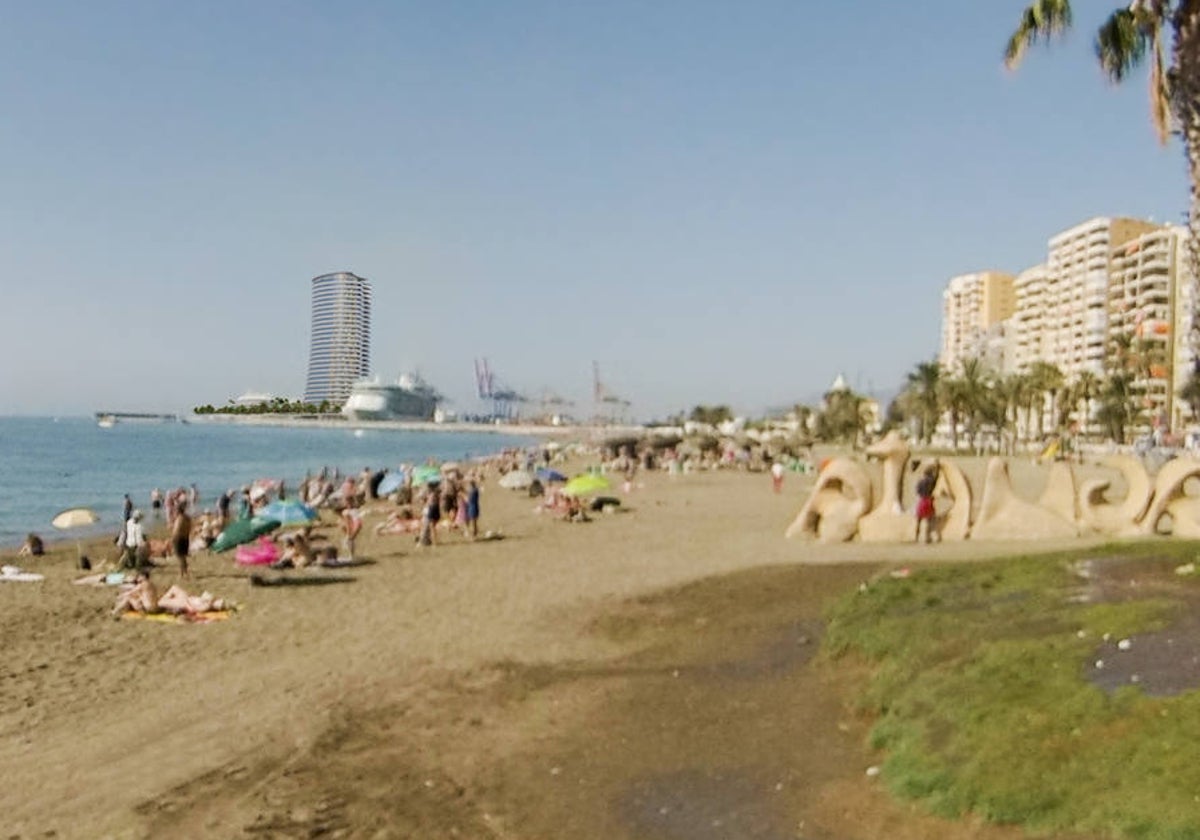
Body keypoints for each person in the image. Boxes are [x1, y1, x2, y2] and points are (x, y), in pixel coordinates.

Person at [914, 462, 941, 544]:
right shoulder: (931, 481)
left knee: (918, 520)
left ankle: (916, 536)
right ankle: (928, 537)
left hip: (921, 501)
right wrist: (937, 467)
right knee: (929, 520)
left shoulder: (920, 482)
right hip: (929, 500)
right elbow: (936, 477)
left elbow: (917, 491)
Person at [172, 502, 193, 579]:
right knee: (183, 557)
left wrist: (173, 539)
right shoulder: (187, 518)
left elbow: (177, 530)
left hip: (178, 539)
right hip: (186, 538)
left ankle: (181, 574)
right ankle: (185, 572)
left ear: (177, 510)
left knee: (180, 557)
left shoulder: (179, 519)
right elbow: (189, 528)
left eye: (175, 510)